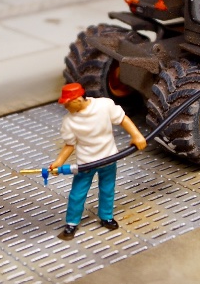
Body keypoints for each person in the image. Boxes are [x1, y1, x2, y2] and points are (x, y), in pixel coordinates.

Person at [51, 82, 147, 240]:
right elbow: (69, 144)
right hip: (86, 164)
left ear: (77, 100)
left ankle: (106, 217)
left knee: (107, 189)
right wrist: (59, 162)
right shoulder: (69, 121)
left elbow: (122, 119)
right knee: (77, 194)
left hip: (109, 158)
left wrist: (136, 135)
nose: (65, 107)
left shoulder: (104, 105)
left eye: (67, 104)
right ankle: (72, 223)